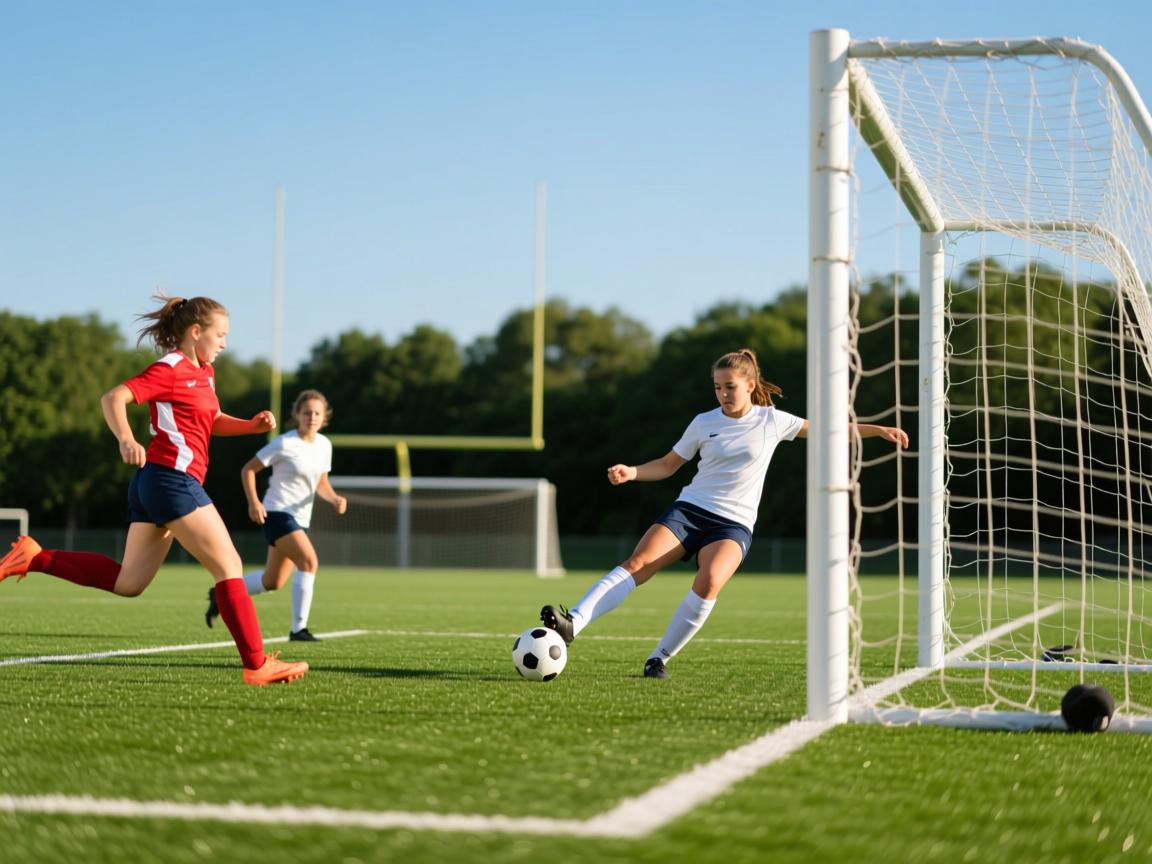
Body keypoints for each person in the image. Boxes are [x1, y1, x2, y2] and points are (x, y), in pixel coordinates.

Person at [539, 347, 909, 679]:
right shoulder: (704, 422)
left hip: (734, 524)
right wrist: (632, 471)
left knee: (711, 579)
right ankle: (574, 622)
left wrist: (877, 430)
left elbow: (829, 432)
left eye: (730, 386)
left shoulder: (772, 420)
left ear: (750, 385)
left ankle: (659, 658)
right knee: (639, 563)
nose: (723, 394)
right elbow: (668, 465)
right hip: (690, 510)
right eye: (717, 387)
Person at [0, 294, 309, 686]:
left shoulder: (205, 372)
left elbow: (210, 419)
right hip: (171, 481)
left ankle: (35, 557)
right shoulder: (171, 367)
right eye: (221, 334)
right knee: (229, 567)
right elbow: (114, 397)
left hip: (156, 484)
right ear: (196, 333)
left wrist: (248, 425)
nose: (225, 343)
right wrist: (126, 439)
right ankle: (256, 663)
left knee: (129, 583)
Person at [205, 389, 347, 641]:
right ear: (297, 415)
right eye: (306, 413)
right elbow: (248, 469)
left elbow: (321, 482)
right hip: (277, 512)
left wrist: (334, 497)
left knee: (272, 581)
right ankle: (298, 630)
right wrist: (254, 503)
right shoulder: (285, 443)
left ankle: (220, 594)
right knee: (309, 561)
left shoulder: (325, 445)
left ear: (324, 417)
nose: (311, 417)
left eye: (316, 413)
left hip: (300, 519)